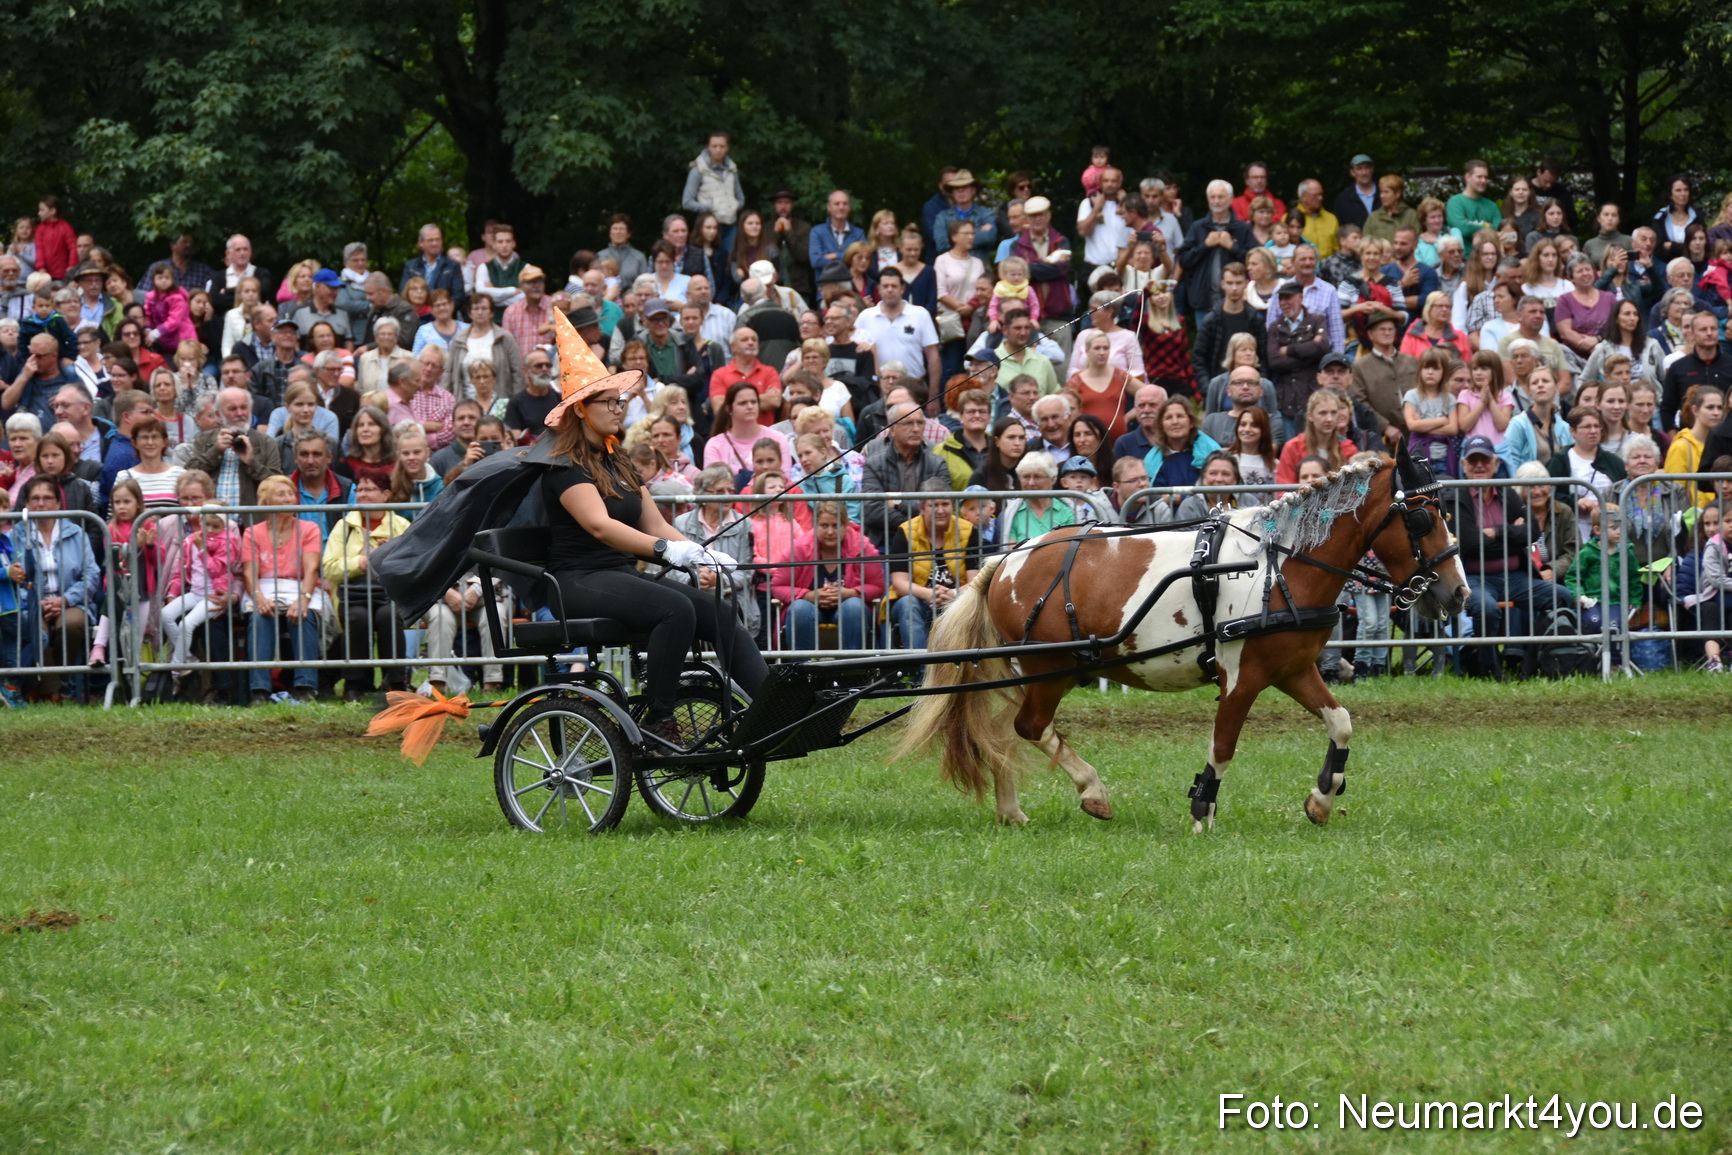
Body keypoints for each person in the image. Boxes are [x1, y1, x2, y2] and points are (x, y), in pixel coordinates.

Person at [9, 475, 100, 698]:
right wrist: (34, 601)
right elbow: (13, 578)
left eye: (48, 498)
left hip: (71, 601)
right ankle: (56, 692)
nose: (41, 504)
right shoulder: (16, 535)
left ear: (59, 503)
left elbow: (91, 575)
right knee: (35, 628)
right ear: (27, 503)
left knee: (71, 625)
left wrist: (65, 600)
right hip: (30, 602)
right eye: (36, 498)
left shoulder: (77, 533)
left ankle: (55, 685)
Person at [888, 479, 981, 648]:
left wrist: (953, 594)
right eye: (934, 505)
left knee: (970, 603)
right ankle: (922, 669)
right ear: (922, 508)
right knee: (908, 604)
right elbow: (900, 583)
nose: (940, 510)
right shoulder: (906, 531)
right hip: (918, 601)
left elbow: (974, 581)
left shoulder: (968, 531)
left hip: (956, 599)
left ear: (952, 506)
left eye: (945, 504)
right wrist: (929, 594)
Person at [160, 498, 239, 693]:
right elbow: (181, 570)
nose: (210, 530)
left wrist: (202, 549)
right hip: (195, 592)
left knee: (187, 624)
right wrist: (172, 593)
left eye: (216, 526)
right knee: (166, 614)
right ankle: (187, 657)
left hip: (213, 596)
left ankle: (175, 670)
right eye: (207, 525)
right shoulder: (191, 541)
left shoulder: (228, 542)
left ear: (224, 525)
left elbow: (216, 569)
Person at [1548, 405, 1627, 542]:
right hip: (1572, 531)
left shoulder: (1613, 461)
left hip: (1609, 534)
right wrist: (1576, 502)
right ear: (1573, 431)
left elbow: (1625, 492)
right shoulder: (1560, 460)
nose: (1593, 431)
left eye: (1597, 426)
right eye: (1587, 427)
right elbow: (1551, 495)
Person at [1498, 364, 1569, 475]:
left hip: (1558, 490)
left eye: (1545, 381)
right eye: (1535, 383)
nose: (1540, 385)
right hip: (1529, 490)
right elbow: (1511, 463)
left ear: (1556, 387)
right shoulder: (1518, 424)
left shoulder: (1565, 427)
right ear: (1530, 390)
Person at [1664, 386, 1724, 507]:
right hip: (1693, 519)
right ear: (1695, 410)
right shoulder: (1681, 446)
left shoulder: (1721, 443)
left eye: (1720, 408)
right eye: (1710, 407)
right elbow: (1674, 490)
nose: (1716, 413)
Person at [1446, 159, 1502, 236]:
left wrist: (1469, 224)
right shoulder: (1455, 202)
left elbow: (1499, 229)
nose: (1483, 181)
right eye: (1479, 177)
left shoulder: (1492, 206)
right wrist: (1489, 227)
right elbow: (1462, 228)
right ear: (1467, 177)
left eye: (1486, 177)